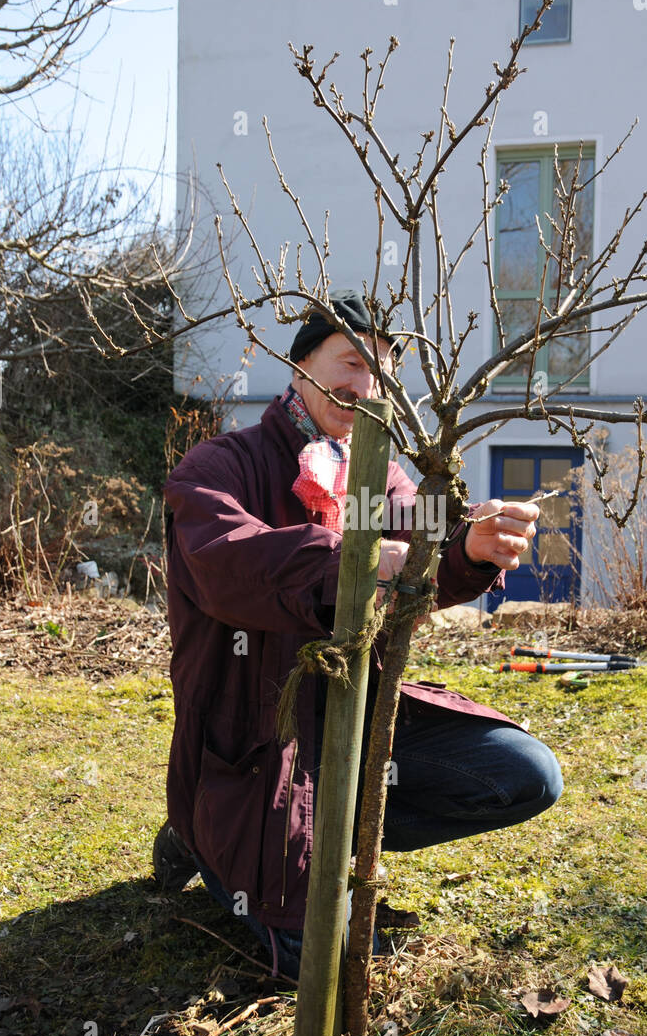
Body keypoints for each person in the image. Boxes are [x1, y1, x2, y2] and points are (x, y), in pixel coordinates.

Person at [156, 290, 562, 976]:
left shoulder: (378, 475)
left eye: (380, 372)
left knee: (523, 776)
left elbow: (425, 547)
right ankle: (200, 834)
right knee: (328, 961)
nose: (364, 386)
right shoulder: (217, 469)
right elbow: (230, 567)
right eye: (349, 362)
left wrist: (471, 547)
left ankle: (329, 834)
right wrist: (361, 565)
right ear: (299, 367)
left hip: (357, 712)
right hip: (256, 737)